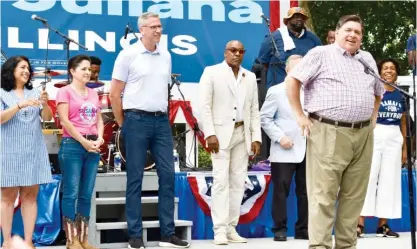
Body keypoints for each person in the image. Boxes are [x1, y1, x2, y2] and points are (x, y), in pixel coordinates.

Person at [285, 15, 385, 249]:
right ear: (337, 32)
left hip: (362, 135)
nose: (353, 35)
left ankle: (346, 245)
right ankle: (319, 246)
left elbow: (378, 90)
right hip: (328, 130)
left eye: (358, 32)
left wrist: (373, 117)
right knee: (323, 195)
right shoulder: (321, 53)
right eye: (348, 30)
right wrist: (300, 115)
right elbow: (293, 80)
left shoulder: (367, 58)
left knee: (354, 196)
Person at [109, 12, 190, 249]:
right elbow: (115, 94)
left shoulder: (166, 55)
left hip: (161, 121)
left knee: (168, 175)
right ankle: (135, 235)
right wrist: (124, 123)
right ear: (141, 30)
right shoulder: (128, 55)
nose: (158, 30)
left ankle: (168, 234)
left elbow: (163, 89)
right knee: (135, 178)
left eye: (160, 26)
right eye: (153, 26)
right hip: (135, 120)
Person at [199, 40, 262, 245]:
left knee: (238, 182)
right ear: (225, 52)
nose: (237, 54)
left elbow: (254, 109)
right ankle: (219, 230)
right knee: (220, 182)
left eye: (241, 51)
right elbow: (204, 106)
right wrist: (209, 133)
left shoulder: (250, 76)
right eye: (233, 50)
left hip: (242, 134)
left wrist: (256, 137)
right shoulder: (212, 72)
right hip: (219, 134)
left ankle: (231, 228)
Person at [1, 56, 53, 249]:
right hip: (8, 151)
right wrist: (19, 105)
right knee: (7, 197)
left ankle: (29, 242)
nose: (26, 71)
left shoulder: (35, 92)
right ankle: (6, 242)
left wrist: (46, 104)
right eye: (22, 67)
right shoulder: (1, 93)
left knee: (30, 197)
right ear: (11, 70)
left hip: (33, 150)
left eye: (28, 68)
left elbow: (47, 119)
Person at [56, 54, 104, 249]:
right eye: (83, 69)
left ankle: (84, 239)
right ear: (72, 71)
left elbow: (99, 119)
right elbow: (65, 121)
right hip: (73, 145)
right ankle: (71, 240)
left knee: (86, 193)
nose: (88, 72)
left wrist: (100, 138)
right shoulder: (64, 92)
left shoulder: (93, 93)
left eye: (89, 69)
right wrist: (84, 141)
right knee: (71, 193)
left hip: (92, 146)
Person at [260, 55, 308, 242]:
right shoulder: (276, 91)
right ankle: (279, 229)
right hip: (284, 149)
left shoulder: (312, 90)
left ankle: (303, 229)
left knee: (306, 192)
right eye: (295, 68)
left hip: (308, 148)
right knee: (281, 192)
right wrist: (280, 137)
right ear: (287, 70)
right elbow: (265, 118)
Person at [357, 58, 406, 238]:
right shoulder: (374, 90)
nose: (389, 71)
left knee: (389, 180)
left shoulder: (401, 94)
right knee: (368, 178)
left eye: (392, 68)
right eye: (385, 68)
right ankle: (359, 223)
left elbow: (403, 121)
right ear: (379, 72)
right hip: (376, 134)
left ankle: (383, 225)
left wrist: (405, 149)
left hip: (395, 137)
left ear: (396, 73)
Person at [258, 7, 321, 89]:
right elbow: (263, 63)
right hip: (278, 89)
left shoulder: (314, 39)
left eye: (301, 17)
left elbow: (319, 63)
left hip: (305, 89)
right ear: (287, 20)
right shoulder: (273, 38)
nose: (299, 19)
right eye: (295, 16)